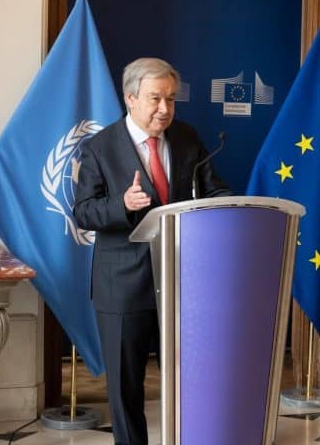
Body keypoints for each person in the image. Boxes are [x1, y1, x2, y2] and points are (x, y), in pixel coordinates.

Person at [73, 57, 230, 445]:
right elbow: (83, 212)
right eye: (156, 99)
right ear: (131, 98)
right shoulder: (99, 147)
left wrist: (232, 205)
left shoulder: (187, 137)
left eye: (171, 100)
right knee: (127, 387)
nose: (165, 109)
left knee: (186, 379)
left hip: (181, 279)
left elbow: (214, 190)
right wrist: (122, 204)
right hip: (123, 284)